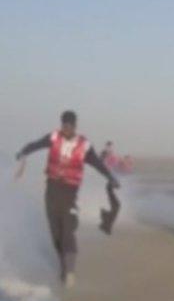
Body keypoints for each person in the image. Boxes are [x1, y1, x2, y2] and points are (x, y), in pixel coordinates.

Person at [14, 110, 120, 287]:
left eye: (70, 125)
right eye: (64, 125)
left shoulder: (84, 145)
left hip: (70, 192)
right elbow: (35, 145)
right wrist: (23, 152)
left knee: (68, 230)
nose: (67, 129)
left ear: (75, 126)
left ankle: (70, 271)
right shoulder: (53, 137)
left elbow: (97, 163)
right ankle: (63, 266)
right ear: (61, 125)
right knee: (55, 233)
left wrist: (110, 177)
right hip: (52, 191)